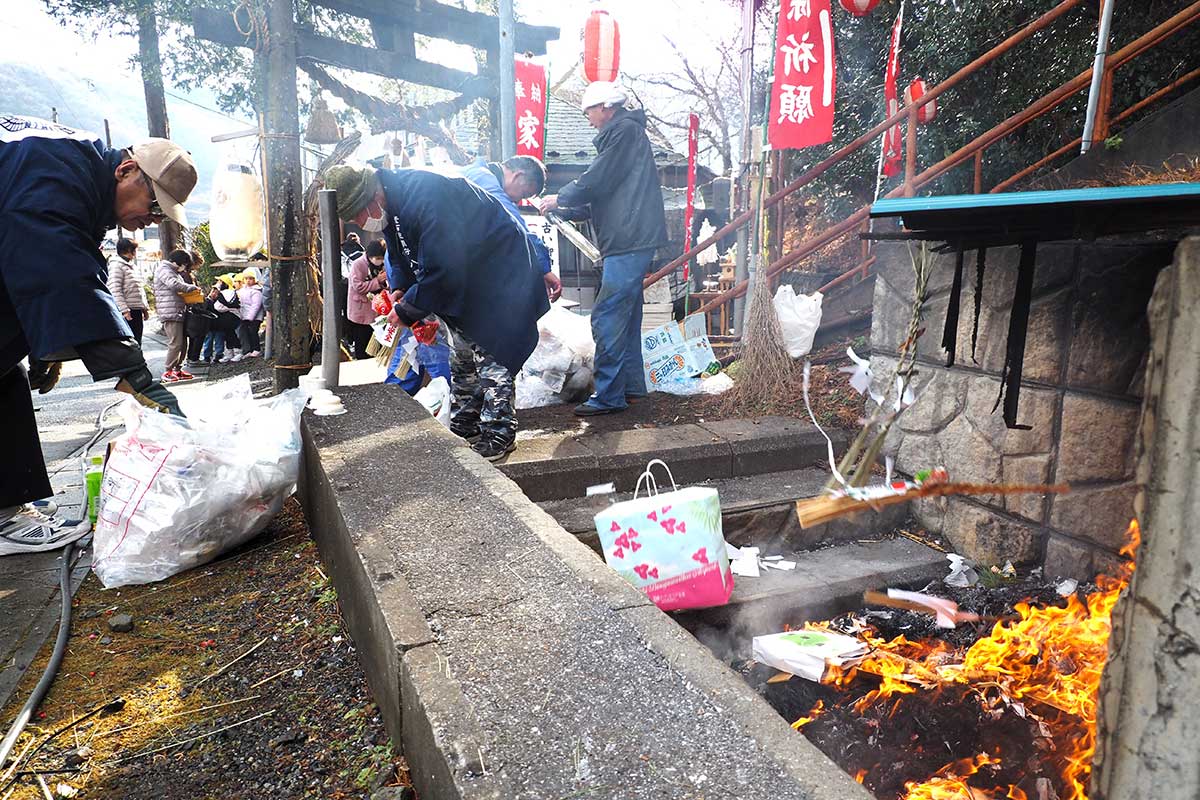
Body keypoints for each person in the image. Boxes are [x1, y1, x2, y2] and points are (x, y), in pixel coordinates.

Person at [0, 113, 193, 553]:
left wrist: (45, 345)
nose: (153, 217)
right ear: (126, 170)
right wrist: (133, 373)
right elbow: (57, 263)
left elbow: (47, 265)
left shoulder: (77, 177)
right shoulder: (52, 166)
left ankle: (7, 512)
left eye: (162, 212)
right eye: (153, 203)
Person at [323, 163, 550, 461]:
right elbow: (401, 253)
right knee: (462, 354)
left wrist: (409, 310)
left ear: (373, 196)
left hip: (500, 275)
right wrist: (402, 288)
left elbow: (445, 263)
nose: (356, 221)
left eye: (356, 213)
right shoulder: (393, 202)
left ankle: (499, 433)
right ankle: (465, 422)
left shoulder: (425, 193)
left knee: (493, 356)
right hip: (469, 282)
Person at [538, 81, 667, 417]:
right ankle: (633, 387)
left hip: (627, 240)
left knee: (607, 315)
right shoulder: (628, 134)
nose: (588, 118)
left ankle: (609, 394)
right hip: (631, 237)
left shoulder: (622, 132)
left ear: (606, 107)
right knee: (626, 315)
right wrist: (566, 208)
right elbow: (604, 195)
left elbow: (597, 179)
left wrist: (561, 196)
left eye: (589, 111)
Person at [154, 249, 200, 382]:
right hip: (170, 311)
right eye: (185, 264)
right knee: (176, 343)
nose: (185, 268)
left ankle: (177, 370)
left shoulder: (173, 271)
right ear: (178, 262)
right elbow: (173, 284)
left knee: (182, 343)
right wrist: (190, 288)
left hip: (177, 310)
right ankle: (168, 371)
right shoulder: (165, 269)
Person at [346, 239, 388, 359]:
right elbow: (358, 286)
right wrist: (377, 281)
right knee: (362, 343)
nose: (379, 261)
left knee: (378, 339)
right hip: (361, 310)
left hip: (379, 309)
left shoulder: (384, 264)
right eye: (377, 258)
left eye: (381, 258)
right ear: (369, 256)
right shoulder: (358, 264)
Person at [106, 237, 149, 345]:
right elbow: (115, 289)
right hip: (127, 311)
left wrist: (144, 308)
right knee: (130, 343)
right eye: (134, 249)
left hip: (136, 310)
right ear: (128, 250)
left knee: (137, 342)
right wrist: (124, 310)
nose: (136, 252)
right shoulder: (116, 265)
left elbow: (139, 289)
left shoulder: (132, 266)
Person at [233, 269, 264, 361]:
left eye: (251, 278)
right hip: (244, 315)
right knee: (246, 332)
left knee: (253, 332)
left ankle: (256, 349)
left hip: (255, 317)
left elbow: (256, 305)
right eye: (246, 278)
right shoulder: (243, 290)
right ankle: (250, 350)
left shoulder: (257, 290)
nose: (248, 280)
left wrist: (250, 317)